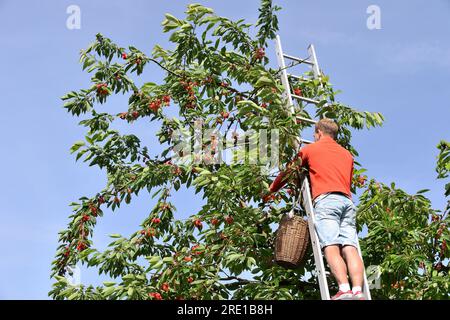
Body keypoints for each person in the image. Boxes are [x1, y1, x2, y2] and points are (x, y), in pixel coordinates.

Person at [267, 118, 365, 300]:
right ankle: (358, 291)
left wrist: (271, 190)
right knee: (350, 248)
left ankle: (344, 288)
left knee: (331, 245)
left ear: (319, 132)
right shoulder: (347, 155)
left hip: (327, 201)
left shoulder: (311, 149)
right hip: (347, 202)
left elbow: (288, 172)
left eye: (314, 133)